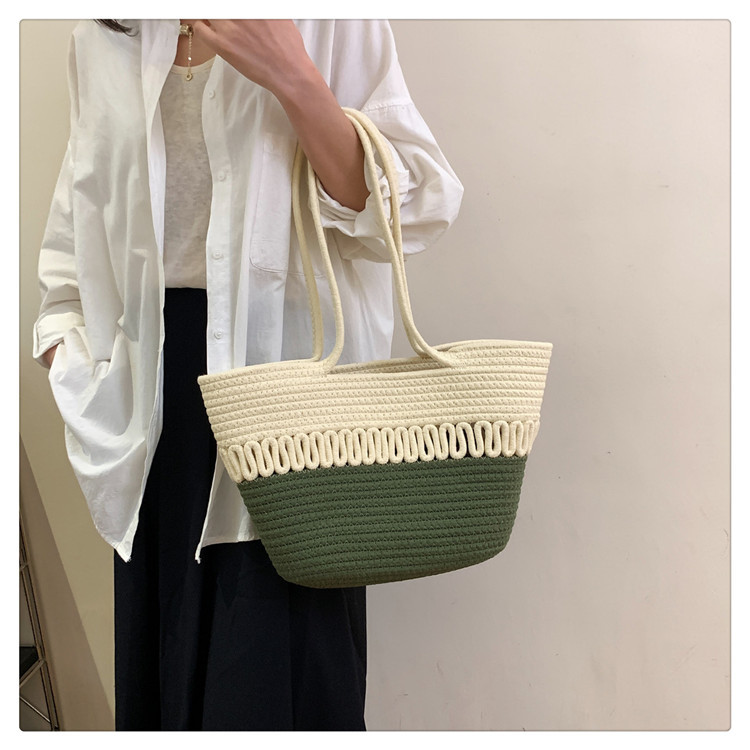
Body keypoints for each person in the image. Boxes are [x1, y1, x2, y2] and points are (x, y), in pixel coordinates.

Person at [33, 19, 463, 731]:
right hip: (149, 409)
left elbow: (414, 210)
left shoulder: (330, 20)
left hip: (293, 403)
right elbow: (77, 227)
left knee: (282, 686)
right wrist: (67, 351)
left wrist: (293, 75)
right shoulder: (105, 34)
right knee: (165, 685)